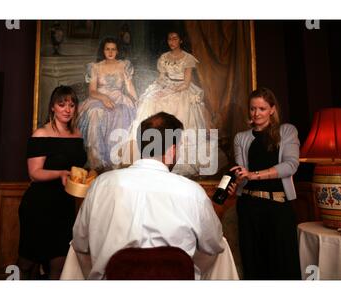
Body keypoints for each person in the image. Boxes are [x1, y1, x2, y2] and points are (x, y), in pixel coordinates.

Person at [72, 112, 225, 279]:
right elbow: (214, 244)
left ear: (142, 145)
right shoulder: (192, 192)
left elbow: (80, 243)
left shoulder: (101, 185)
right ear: (172, 150)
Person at [228, 87, 301, 280]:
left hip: (278, 208)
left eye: (262, 108)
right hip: (248, 208)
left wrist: (253, 175)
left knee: (283, 266)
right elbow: (242, 171)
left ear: (272, 109)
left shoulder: (287, 131)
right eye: (253, 109)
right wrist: (238, 177)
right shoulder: (241, 138)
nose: (256, 113)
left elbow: (290, 165)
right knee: (253, 265)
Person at [17, 86, 87, 279]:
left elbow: (77, 168)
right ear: (52, 108)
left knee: (59, 264)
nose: (67, 109)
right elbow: (34, 173)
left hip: (64, 206)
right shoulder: (41, 134)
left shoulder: (78, 134)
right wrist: (60, 173)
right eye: (62, 104)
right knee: (26, 263)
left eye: (72, 105)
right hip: (38, 205)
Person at [126, 31, 207, 176]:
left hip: (181, 90)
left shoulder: (188, 58)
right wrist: (158, 88)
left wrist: (171, 91)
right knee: (151, 100)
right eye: (169, 39)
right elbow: (162, 77)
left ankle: (177, 158)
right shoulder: (164, 57)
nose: (172, 41)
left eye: (175, 38)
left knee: (179, 111)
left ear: (181, 40)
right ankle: (154, 154)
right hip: (167, 86)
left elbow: (186, 82)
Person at [77, 37, 138, 172]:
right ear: (103, 51)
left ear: (117, 51)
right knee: (94, 112)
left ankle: (115, 161)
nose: (110, 52)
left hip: (118, 98)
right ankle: (96, 161)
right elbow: (92, 91)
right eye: (107, 49)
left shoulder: (124, 65)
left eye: (113, 49)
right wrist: (103, 98)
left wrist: (137, 101)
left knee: (121, 113)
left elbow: (129, 86)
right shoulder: (95, 67)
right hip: (98, 97)